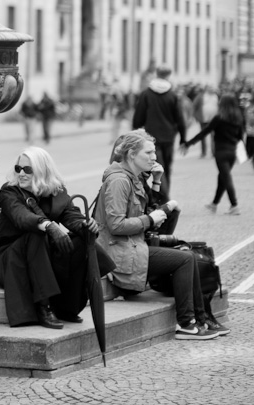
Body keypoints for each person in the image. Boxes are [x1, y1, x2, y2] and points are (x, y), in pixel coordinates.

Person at [94, 129, 227, 340]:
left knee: (188, 255)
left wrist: (156, 181)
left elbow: (142, 210)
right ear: (131, 155)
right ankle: (187, 323)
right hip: (119, 253)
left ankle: (199, 319)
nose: (154, 157)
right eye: (148, 153)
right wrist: (151, 219)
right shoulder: (120, 181)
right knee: (185, 259)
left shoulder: (132, 177)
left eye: (154, 152)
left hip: (132, 246)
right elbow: (116, 225)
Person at [0, 147, 98, 329]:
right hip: (9, 261)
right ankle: (43, 306)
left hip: (40, 258)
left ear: (42, 171)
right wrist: (48, 225)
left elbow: (72, 217)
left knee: (80, 241)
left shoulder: (56, 192)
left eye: (28, 170)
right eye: (18, 168)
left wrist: (87, 226)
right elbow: (21, 217)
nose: (21, 174)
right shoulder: (9, 191)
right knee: (36, 233)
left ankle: (67, 307)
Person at [181, 92, 245, 214]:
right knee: (222, 177)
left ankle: (234, 205)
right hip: (232, 152)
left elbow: (205, 132)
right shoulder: (238, 118)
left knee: (226, 177)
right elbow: (241, 136)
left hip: (221, 152)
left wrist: (188, 143)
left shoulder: (219, 118)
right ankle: (214, 204)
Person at [132, 64, 186, 194]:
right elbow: (180, 119)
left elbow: (138, 118)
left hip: (150, 138)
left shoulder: (146, 94)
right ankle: (165, 199)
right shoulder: (172, 95)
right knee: (165, 169)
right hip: (168, 137)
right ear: (168, 76)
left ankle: (160, 200)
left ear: (157, 74)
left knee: (150, 169)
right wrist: (183, 139)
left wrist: (135, 133)